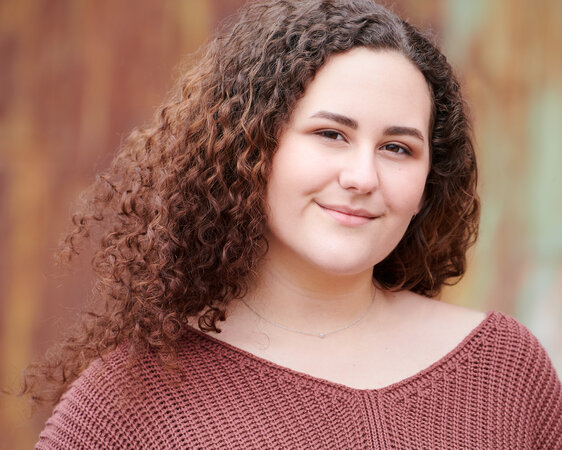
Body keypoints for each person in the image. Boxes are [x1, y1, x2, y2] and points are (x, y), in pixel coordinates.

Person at [27, 0, 561, 448]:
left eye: (397, 147)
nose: (362, 177)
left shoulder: (503, 368)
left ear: (428, 181)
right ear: (253, 148)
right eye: (331, 134)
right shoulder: (131, 400)